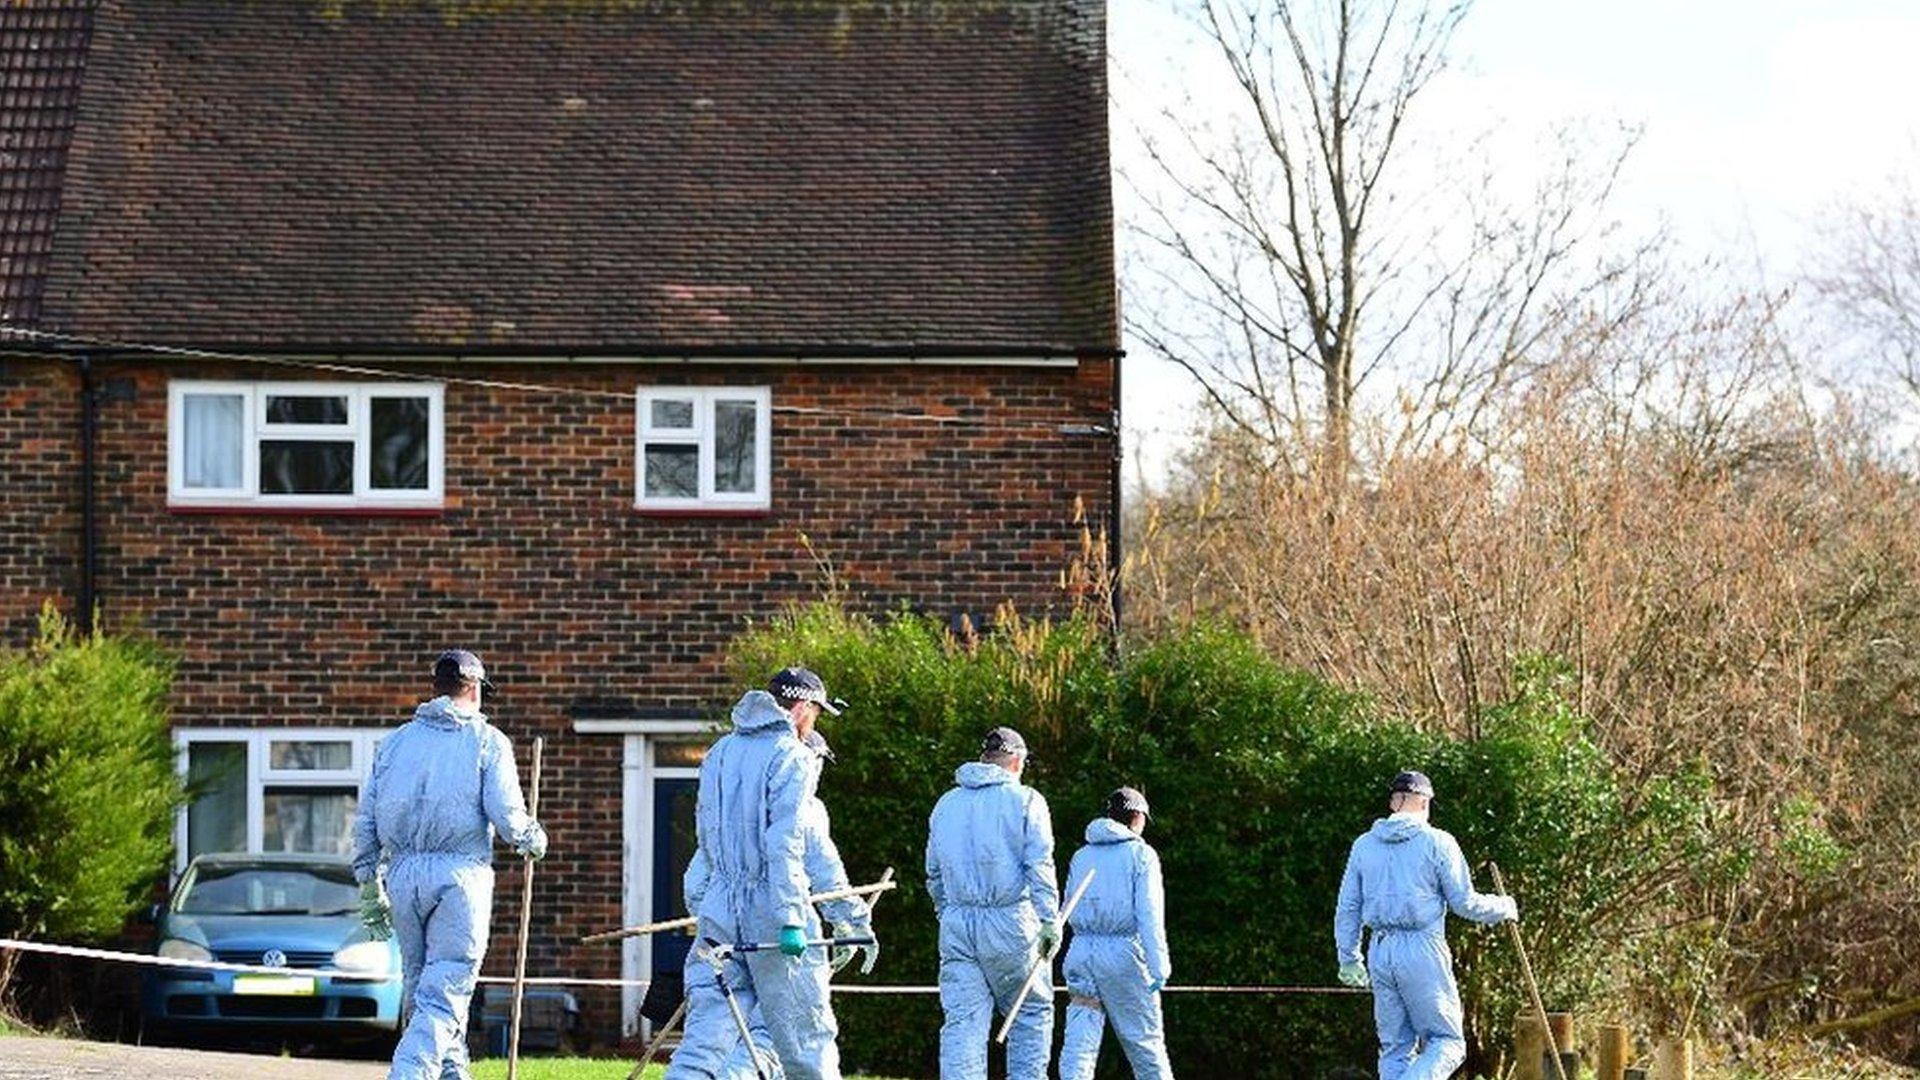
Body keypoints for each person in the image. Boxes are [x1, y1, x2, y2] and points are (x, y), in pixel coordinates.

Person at [350, 650, 547, 1080]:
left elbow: (366, 818)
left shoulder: (396, 743)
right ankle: (409, 1074)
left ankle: (452, 1075)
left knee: (422, 989)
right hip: (460, 877)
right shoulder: (486, 740)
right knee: (449, 986)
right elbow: (507, 813)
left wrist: (369, 884)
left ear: (434, 688)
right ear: (475, 690)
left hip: (402, 877)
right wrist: (531, 837)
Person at [666, 667, 847, 1080]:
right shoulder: (792, 756)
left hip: (719, 912)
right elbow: (785, 846)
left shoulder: (720, 753)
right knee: (806, 1039)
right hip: (772, 911)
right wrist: (790, 920)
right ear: (803, 707)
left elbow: (705, 845)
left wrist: (707, 912)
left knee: (704, 1043)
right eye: (817, 712)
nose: (814, 722)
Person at [713, 729, 878, 1080]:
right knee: (784, 1033)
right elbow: (828, 875)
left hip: (730, 927)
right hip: (782, 933)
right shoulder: (807, 810)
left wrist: (714, 921)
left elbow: (702, 876)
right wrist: (855, 925)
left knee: (741, 1032)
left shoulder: (738, 804)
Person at [1334, 771, 1517, 1080]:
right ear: (1423, 802)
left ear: (1394, 802)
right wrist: (1504, 906)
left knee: (1394, 1049)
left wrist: (1349, 958)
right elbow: (1465, 903)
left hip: (1380, 949)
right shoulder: (1438, 842)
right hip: (1421, 948)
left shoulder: (1364, 846)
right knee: (1448, 1043)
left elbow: (1348, 907)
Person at [925, 727, 1060, 1080]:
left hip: (956, 925)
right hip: (1012, 923)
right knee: (1030, 1013)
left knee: (962, 1022)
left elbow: (934, 873)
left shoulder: (946, 804)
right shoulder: (1027, 800)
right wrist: (1049, 920)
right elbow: (1039, 866)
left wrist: (947, 912)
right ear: (1016, 761)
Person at [1058, 787, 1172, 1080]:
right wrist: (1159, 965)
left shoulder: (1082, 855)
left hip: (1081, 953)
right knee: (1145, 1042)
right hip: (1123, 956)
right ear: (1137, 817)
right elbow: (1149, 915)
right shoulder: (1141, 855)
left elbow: (1067, 908)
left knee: (1079, 1042)